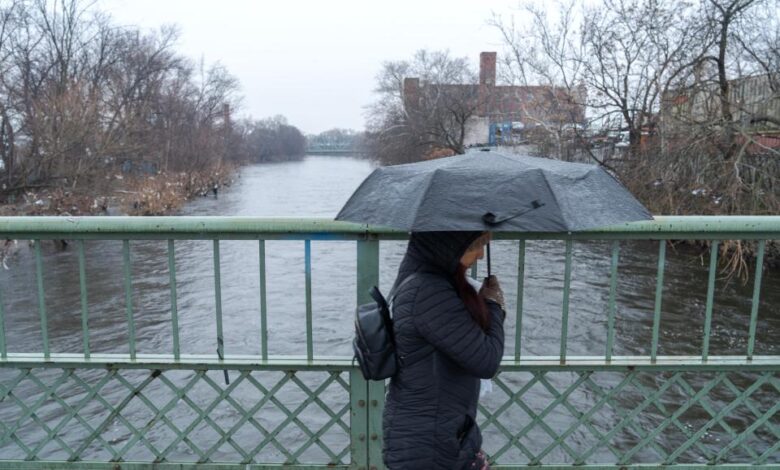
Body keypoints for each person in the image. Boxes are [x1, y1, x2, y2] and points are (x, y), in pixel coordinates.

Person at [383, 231, 506, 470]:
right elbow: (487, 361)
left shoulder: (433, 280)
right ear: (448, 246)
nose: (481, 255)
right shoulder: (428, 292)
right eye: (475, 246)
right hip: (428, 446)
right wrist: (494, 306)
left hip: (438, 435)